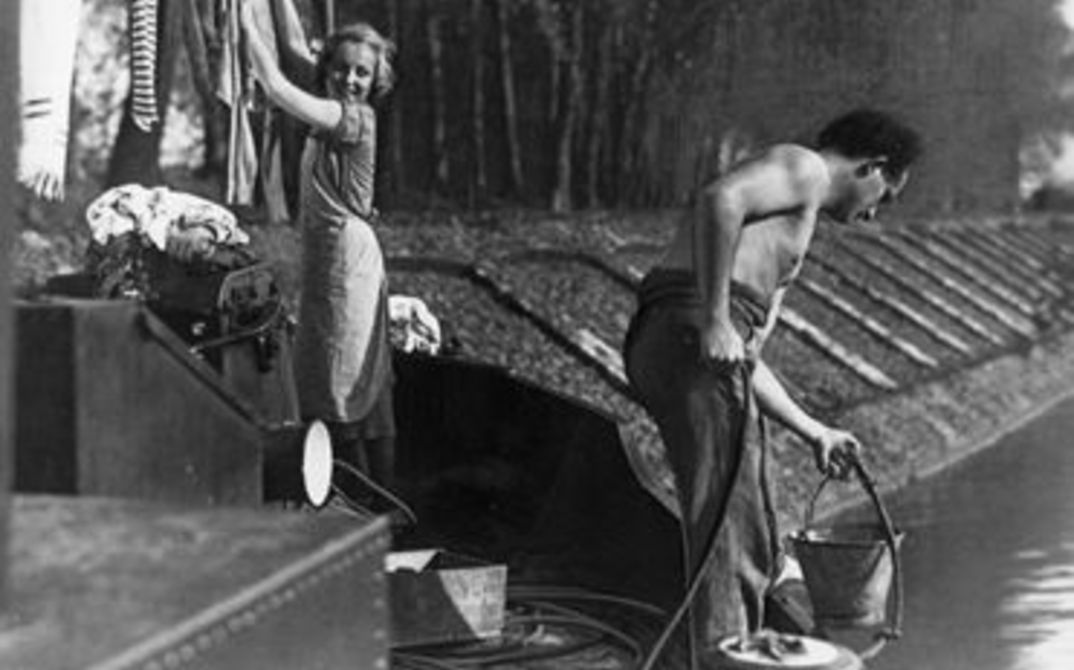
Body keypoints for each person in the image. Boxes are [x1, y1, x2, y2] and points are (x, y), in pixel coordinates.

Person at [623, 109, 922, 661]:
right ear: (872, 167)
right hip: (688, 327)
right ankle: (726, 657)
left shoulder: (788, 230)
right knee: (733, 528)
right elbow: (720, 199)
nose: (875, 213)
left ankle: (722, 646)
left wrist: (814, 431)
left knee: (736, 516)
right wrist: (715, 317)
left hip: (675, 340)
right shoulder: (805, 167)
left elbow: (743, 359)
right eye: (886, 196)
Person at [242, 6, 398, 497]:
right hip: (332, 255)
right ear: (328, 67)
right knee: (348, 384)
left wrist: (241, 21)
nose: (350, 79)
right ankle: (377, 503)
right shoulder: (334, 106)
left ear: (375, 80)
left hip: (347, 260)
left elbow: (275, 85)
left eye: (362, 73)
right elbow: (293, 46)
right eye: (342, 68)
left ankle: (369, 505)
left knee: (340, 384)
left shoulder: (351, 117)